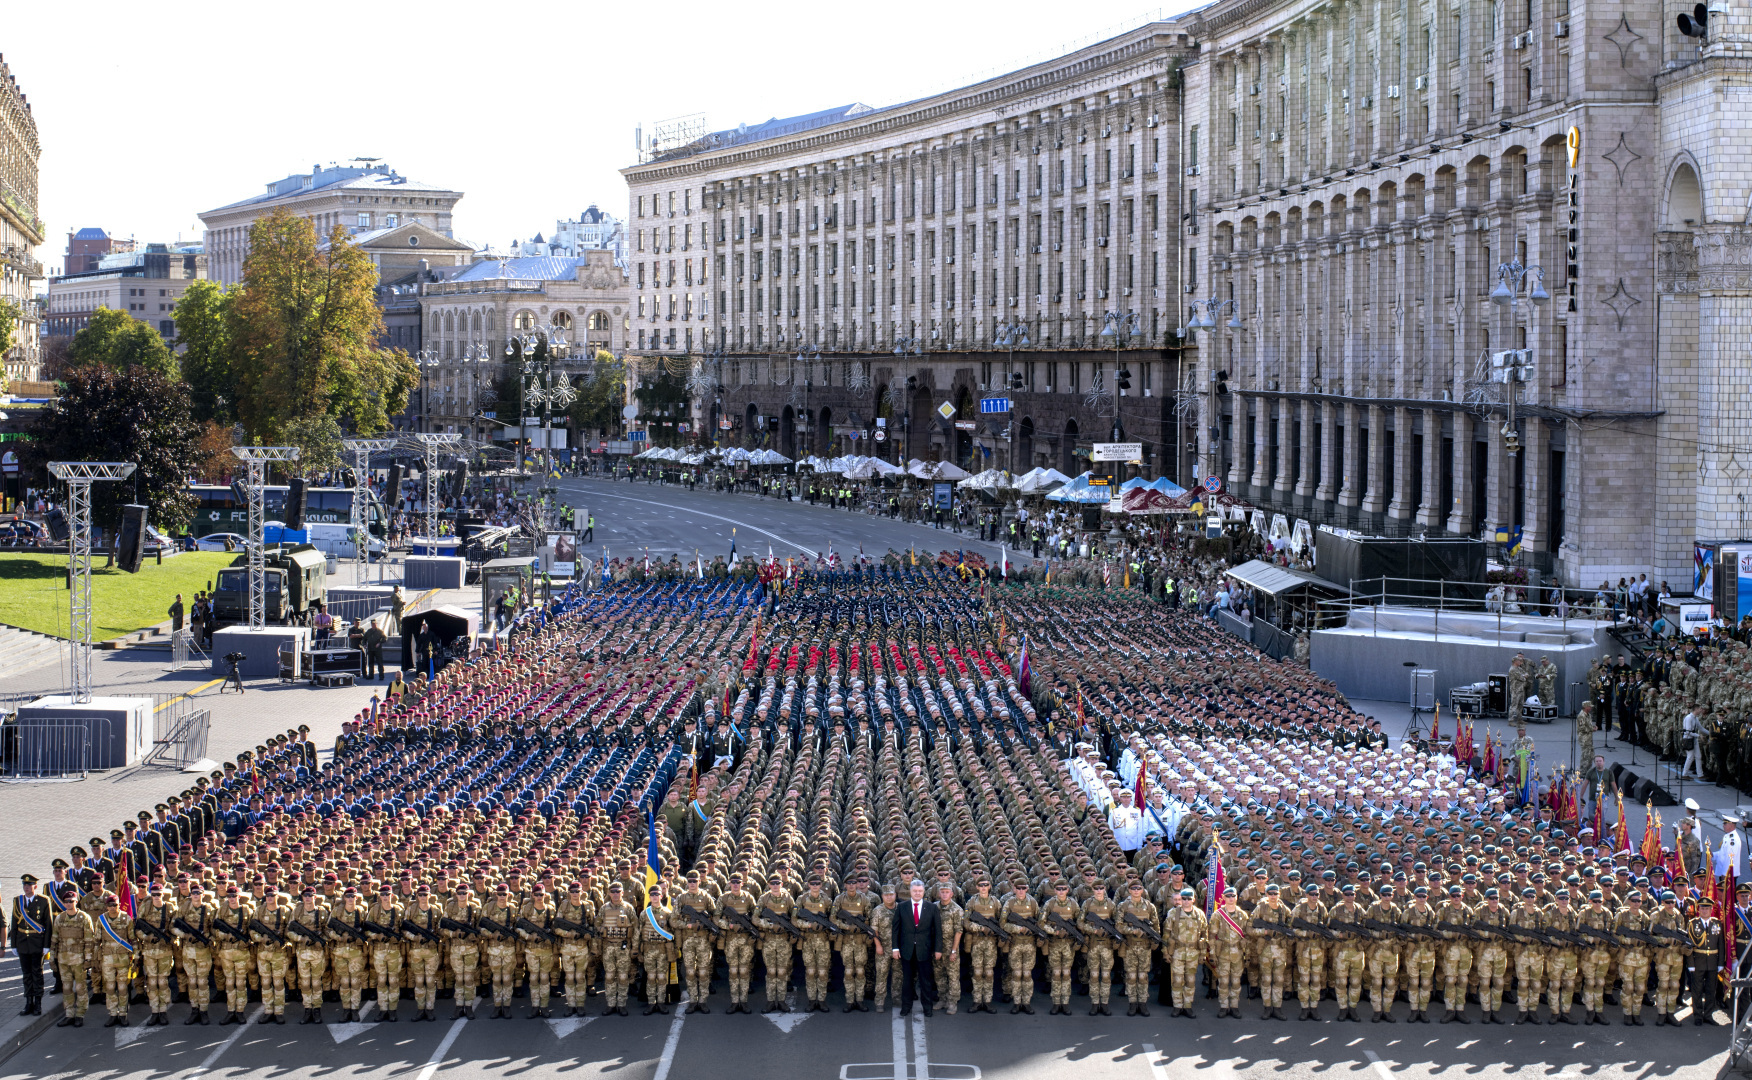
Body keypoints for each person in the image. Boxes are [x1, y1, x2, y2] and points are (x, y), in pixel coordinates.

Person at [893, 878, 941, 1017]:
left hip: (924, 950)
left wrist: (938, 949)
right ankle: (906, 1007)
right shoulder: (902, 907)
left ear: (924, 891)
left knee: (926, 981)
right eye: (915, 891)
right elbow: (895, 929)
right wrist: (895, 948)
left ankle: (927, 1008)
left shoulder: (931, 907)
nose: (917, 893)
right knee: (907, 981)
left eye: (920, 891)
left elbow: (938, 930)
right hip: (906, 950)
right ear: (910, 891)